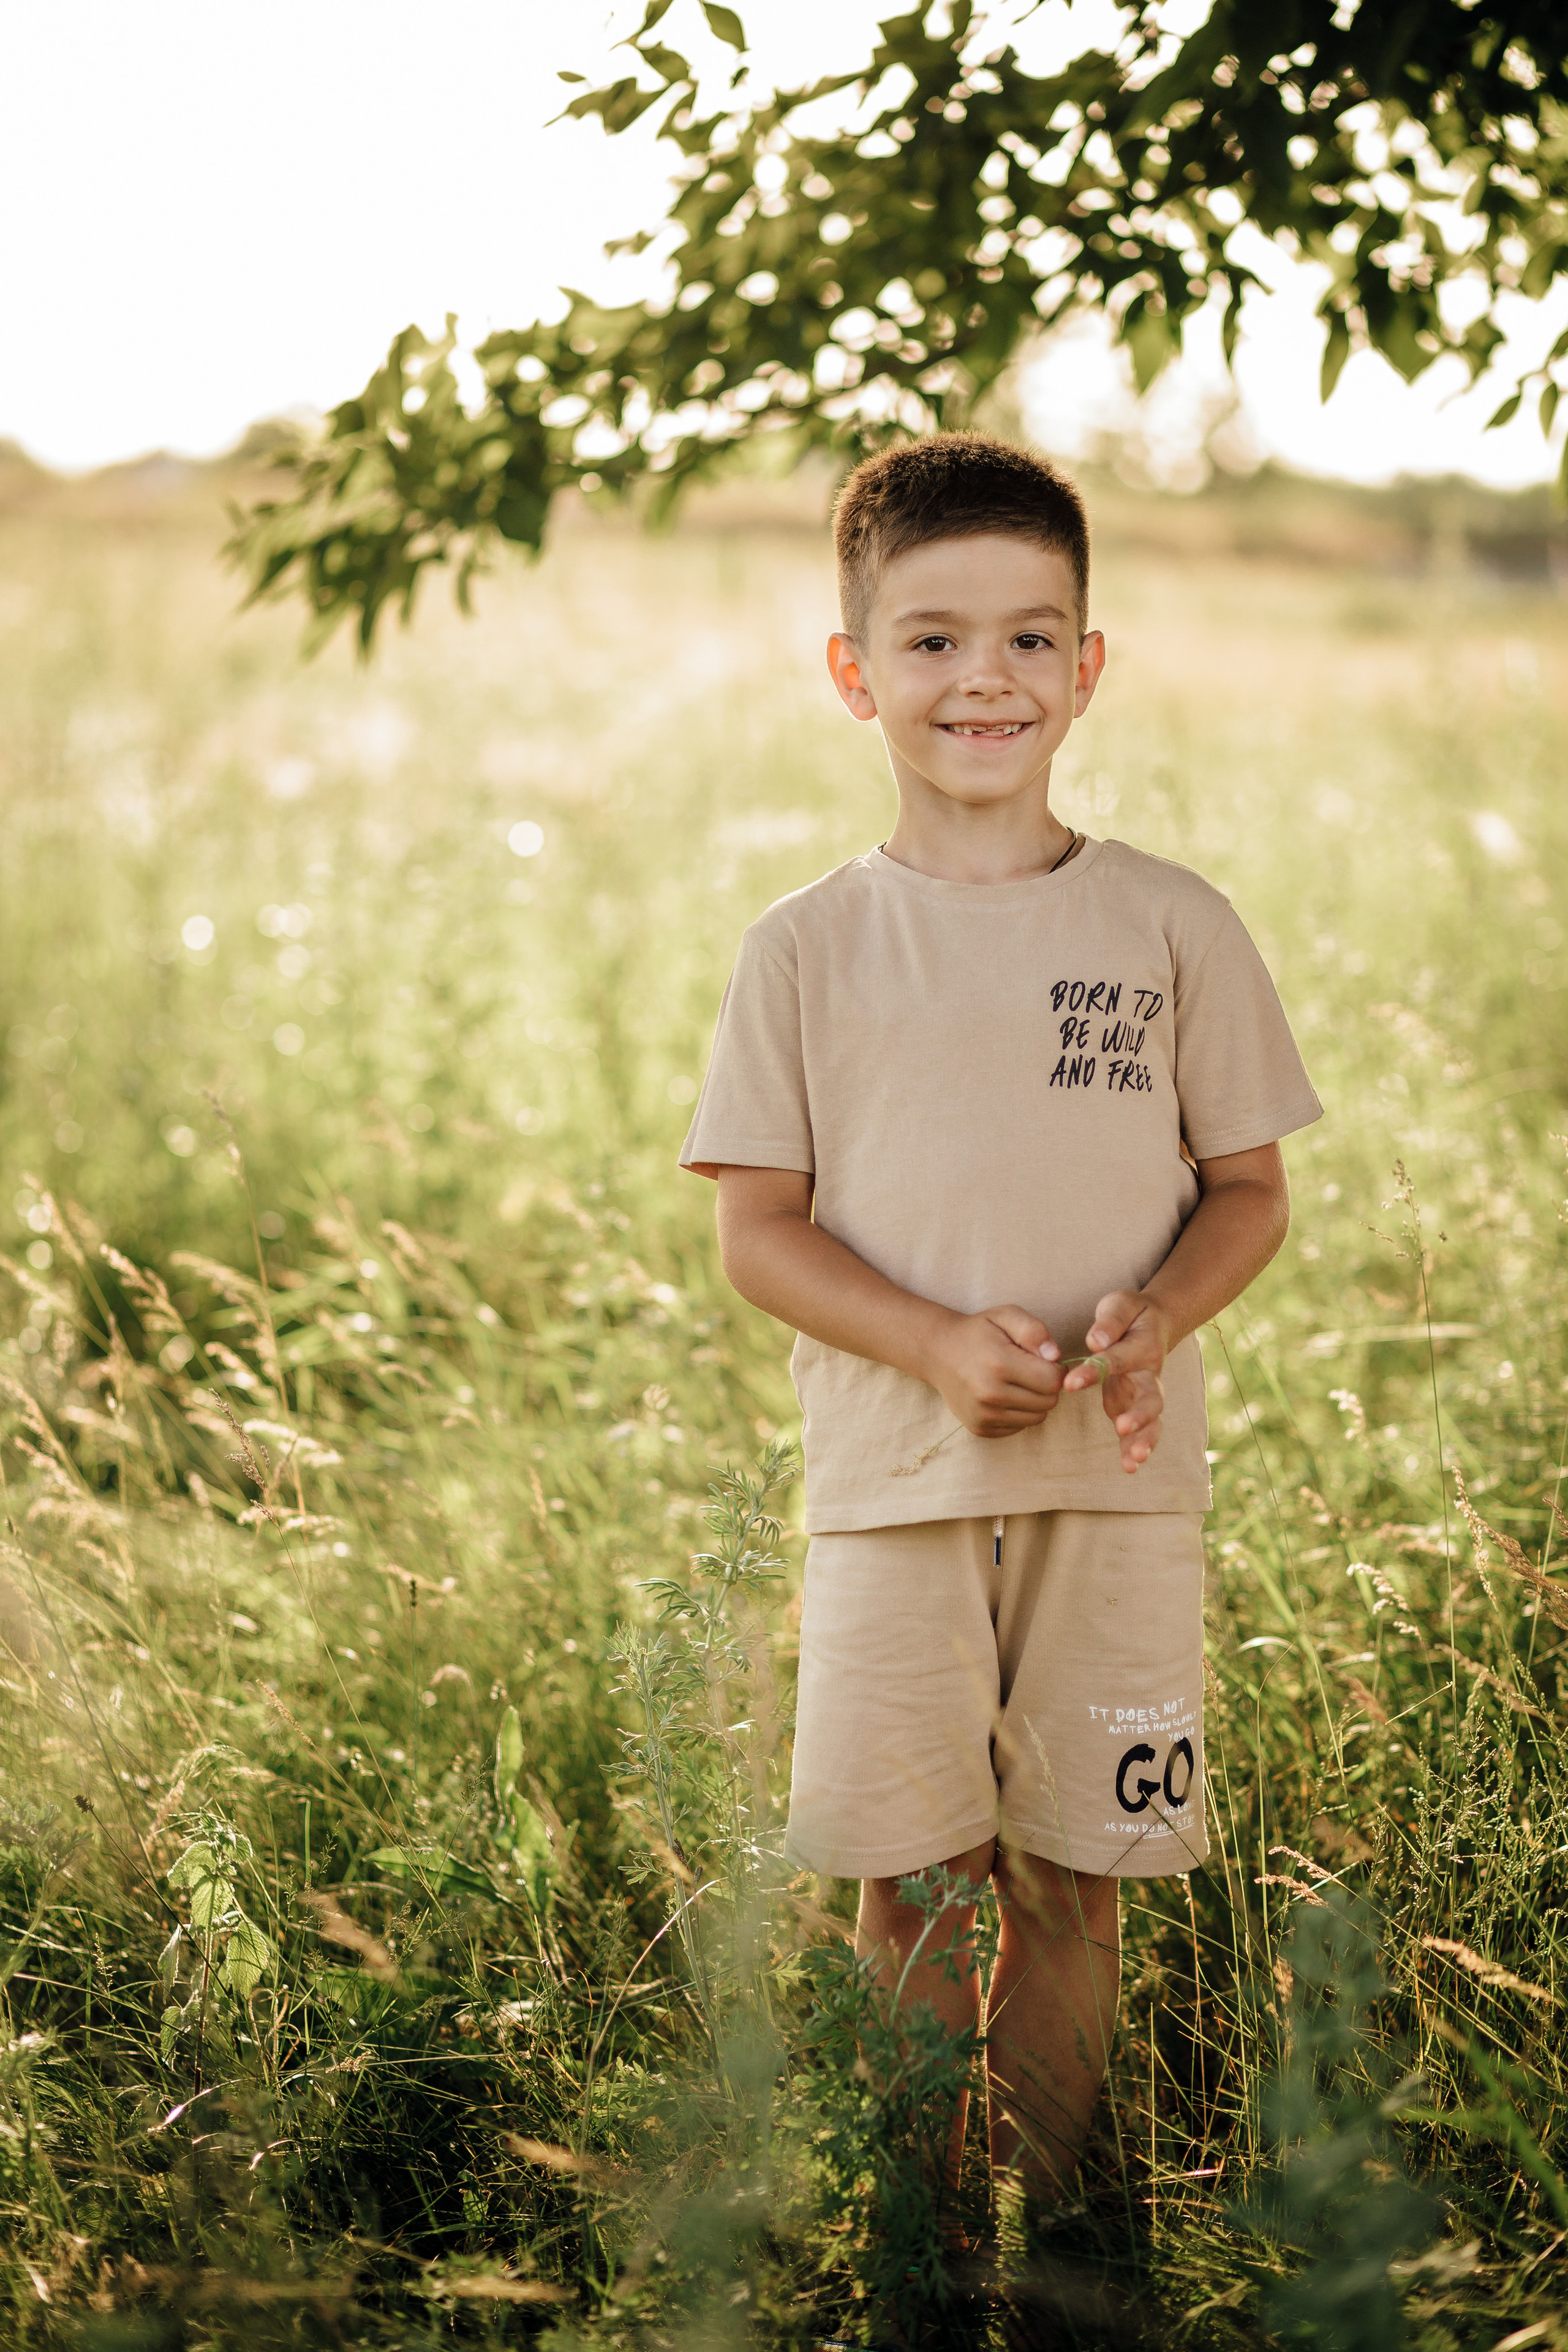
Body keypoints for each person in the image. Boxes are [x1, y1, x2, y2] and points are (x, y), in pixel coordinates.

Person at [679, 434, 1321, 2222]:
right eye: (937, 640)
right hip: (896, 1485)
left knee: (1073, 1873)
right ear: (855, 670)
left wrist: (1159, 1314)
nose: (988, 680)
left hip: (1120, 1493)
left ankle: (1048, 2241)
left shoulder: (1172, 926)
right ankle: (918, 2238)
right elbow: (757, 1235)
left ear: (1089, 668)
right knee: (916, 1873)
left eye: (1034, 640)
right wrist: (935, 1343)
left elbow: (1251, 1194)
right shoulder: (804, 949)